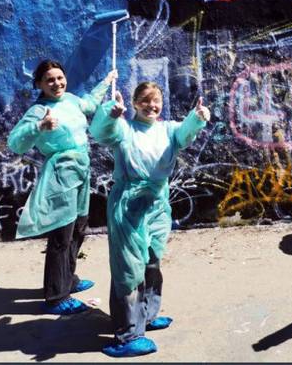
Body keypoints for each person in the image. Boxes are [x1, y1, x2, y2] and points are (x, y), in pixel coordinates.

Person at [90, 82, 210, 358]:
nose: (151, 105)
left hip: (157, 203)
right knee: (128, 269)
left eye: (156, 100)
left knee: (152, 261)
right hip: (128, 206)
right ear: (134, 103)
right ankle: (128, 333)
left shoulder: (167, 130)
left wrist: (197, 117)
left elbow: (185, 133)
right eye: (145, 100)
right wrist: (109, 114)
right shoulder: (124, 129)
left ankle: (147, 315)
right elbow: (100, 132)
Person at [7, 60, 117, 315]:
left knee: (79, 228)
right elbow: (15, 143)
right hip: (61, 176)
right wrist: (39, 127)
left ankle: (68, 279)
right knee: (61, 235)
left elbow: (89, 104)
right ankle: (56, 296)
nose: (57, 83)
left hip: (81, 171)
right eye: (50, 80)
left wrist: (106, 82)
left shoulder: (70, 100)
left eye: (60, 78)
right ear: (39, 84)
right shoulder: (38, 110)